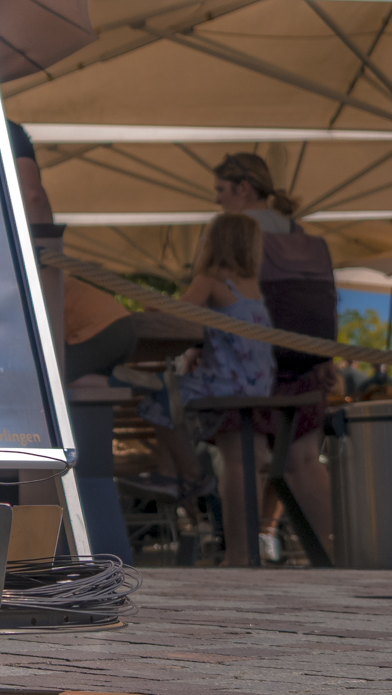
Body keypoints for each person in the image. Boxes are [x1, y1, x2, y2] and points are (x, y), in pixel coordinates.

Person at [212, 152, 336, 561]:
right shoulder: (298, 233)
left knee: (241, 457)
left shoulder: (231, 233)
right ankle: (326, 555)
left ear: (243, 188)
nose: (218, 202)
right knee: (303, 458)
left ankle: (241, 558)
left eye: (221, 191)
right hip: (307, 359)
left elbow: (212, 298)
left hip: (250, 360)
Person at [135, 212, 276, 566]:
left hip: (228, 379)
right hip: (257, 380)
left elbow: (177, 314)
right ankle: (174, 477)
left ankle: (192, 478)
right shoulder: (251, 285)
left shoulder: (212, 279)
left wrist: (151, 305)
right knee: (242, 463)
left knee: (158, 399)